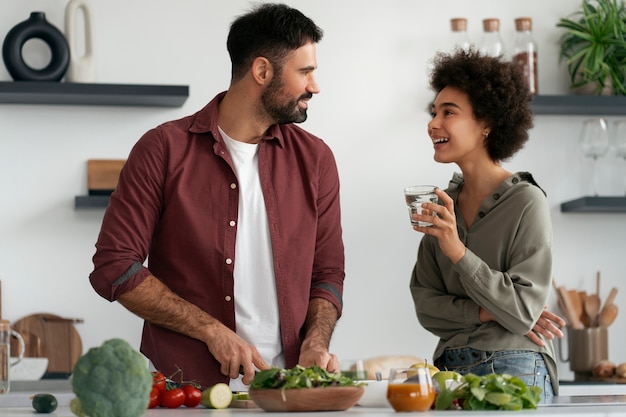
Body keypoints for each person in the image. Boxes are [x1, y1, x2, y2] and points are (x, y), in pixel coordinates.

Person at [89, 3, 345, 391]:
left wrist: (315, 342)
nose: (315, 86)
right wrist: (211, 330)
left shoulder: (316, 160)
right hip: (184, 389)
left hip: (289, 389)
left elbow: (327, 275)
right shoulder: (163, 149)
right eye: (305, 72)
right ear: (262, 71)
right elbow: (114, 265)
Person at [409, 48, 566, 401]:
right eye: (434, 112)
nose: (433, 123)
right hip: (447, 371)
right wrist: (487, 311)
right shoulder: (441, 207)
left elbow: (523, 310)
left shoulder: (526, 201)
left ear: (486, 123)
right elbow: (426, 305)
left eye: (449, 112)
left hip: (514, 365)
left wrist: (458, 252)